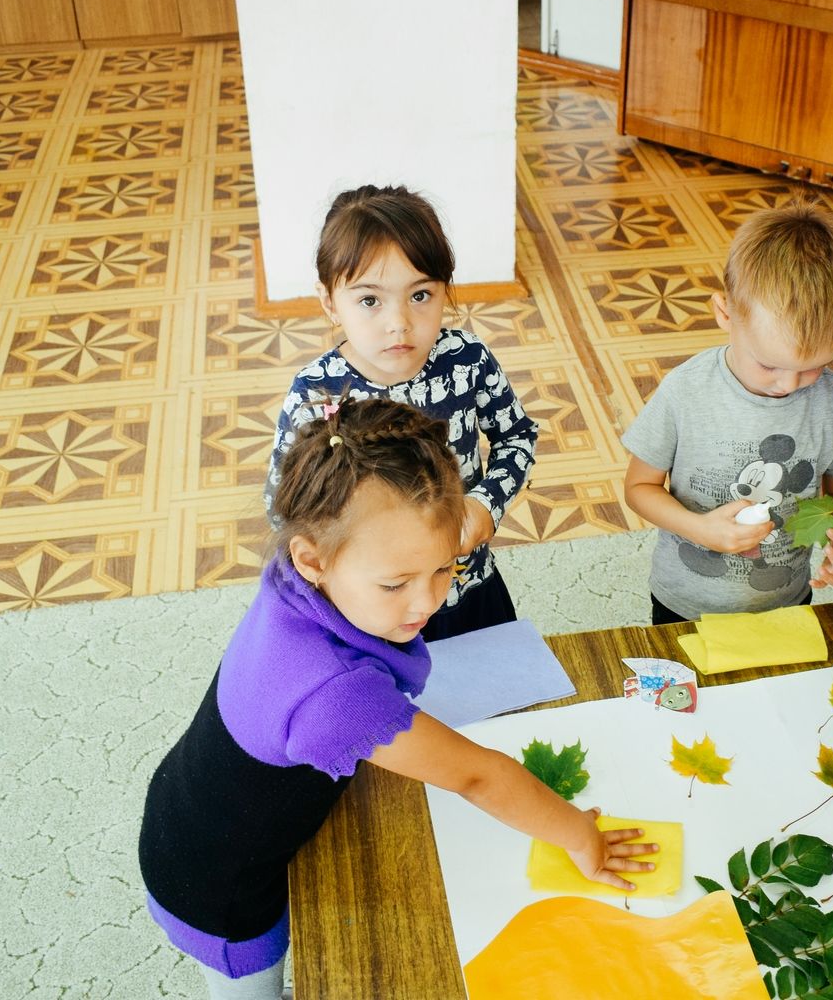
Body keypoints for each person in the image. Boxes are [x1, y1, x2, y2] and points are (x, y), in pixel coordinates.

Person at [142, 398, 654, 999]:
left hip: (194, 802)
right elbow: (479, 777)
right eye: (395, 583)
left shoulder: (298, 569)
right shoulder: (333, 697)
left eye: (444, 568)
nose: (428, 602)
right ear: (313, 560)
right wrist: (579, 836)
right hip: (217, 890)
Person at [264, 185, 538, 641]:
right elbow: (283, 507)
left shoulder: (467, 360)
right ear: (330, 301)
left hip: (464, 585)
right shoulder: (316, 390)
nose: (399, 323)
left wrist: (486, 504)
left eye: (420, 295)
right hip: (370, 610)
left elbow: (518, 436)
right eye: (370, 300)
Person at [622, 201, 833, 624]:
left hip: (787, 599)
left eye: (814, 366)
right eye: (769, 364)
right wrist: (699, 529)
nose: (789, 385)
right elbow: (638, 488)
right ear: (725, 313)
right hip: (684, 603)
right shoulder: (686, 390)